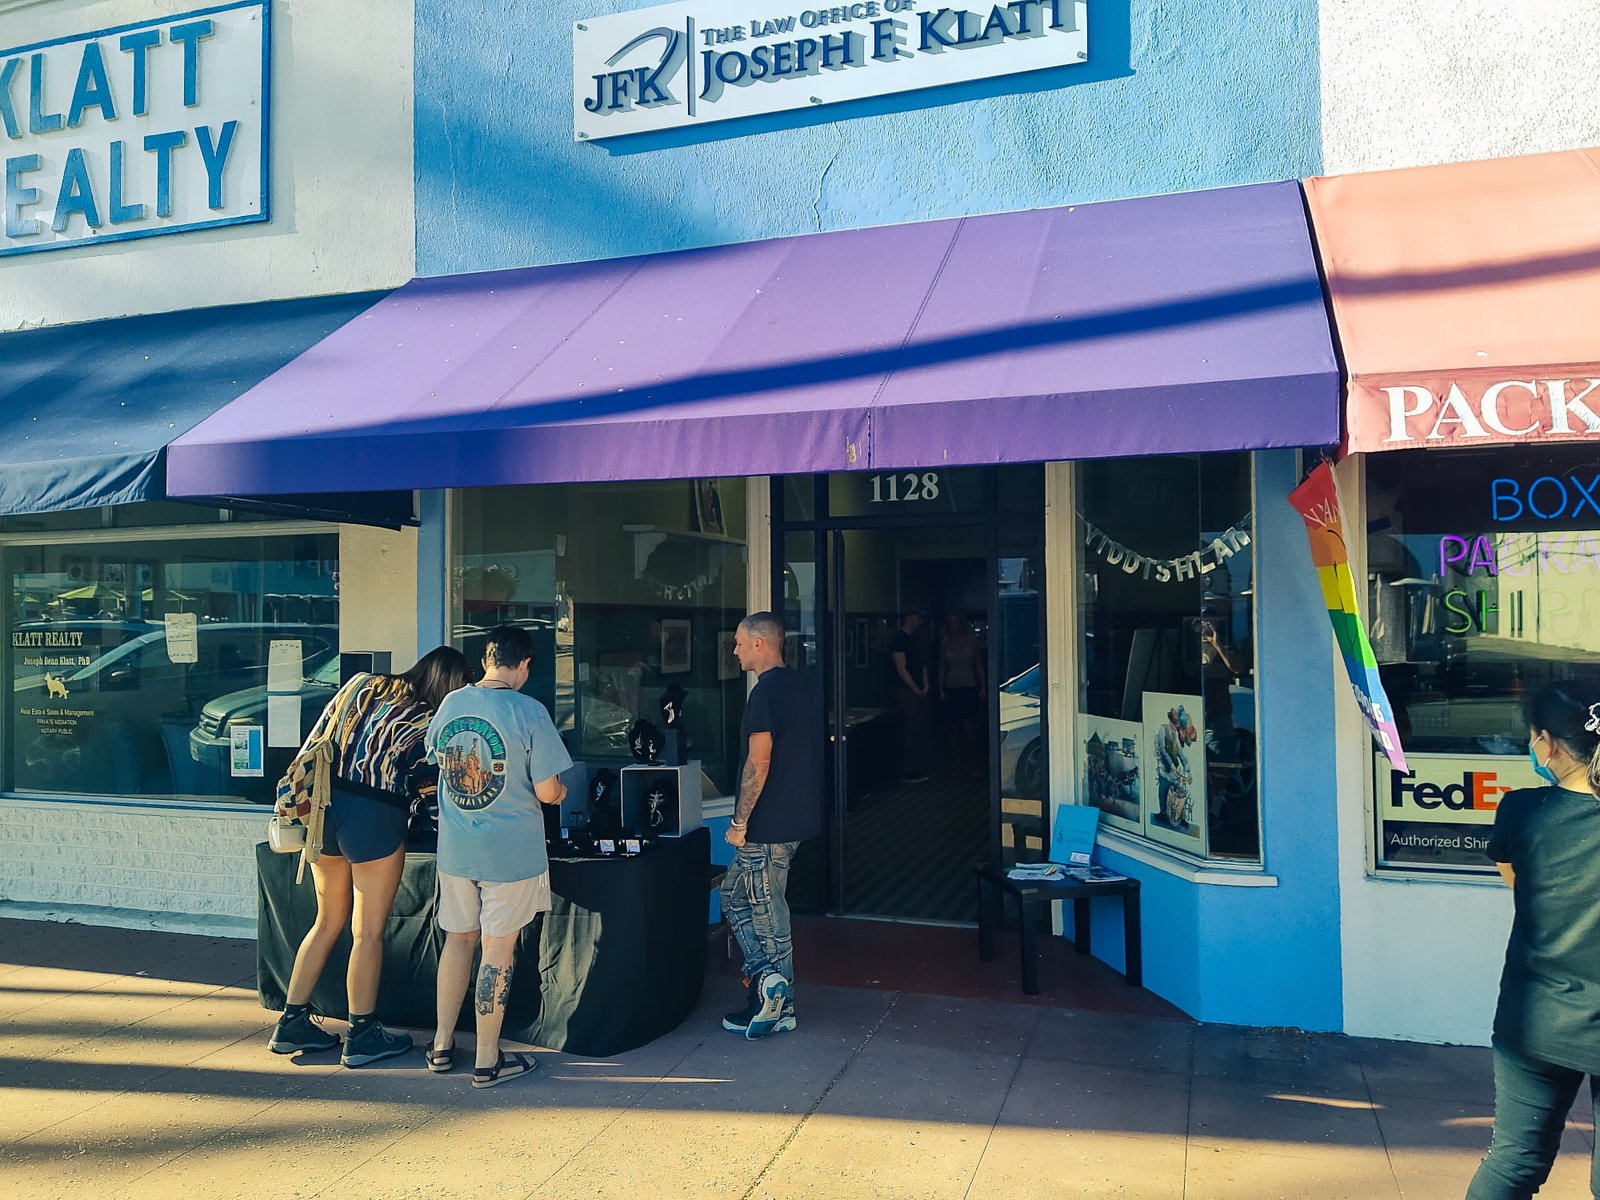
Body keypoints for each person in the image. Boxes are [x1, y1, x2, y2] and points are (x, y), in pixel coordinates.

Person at [268, 646, 471, 1067]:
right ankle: (361, 1034)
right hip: (375, 818)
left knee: (325, 921)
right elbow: (429, 789)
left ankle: (291, 1022)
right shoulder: (428, 721)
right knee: (368, 932)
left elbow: (316, 742)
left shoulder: (360, 685)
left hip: (324, 807)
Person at [1466, 682, 1600, 1199]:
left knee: (1515, 1161)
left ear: (1547, 744)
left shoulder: (1521, 811)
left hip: (1537, 1019)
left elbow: (1519, 885)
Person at [426, 625, 571, 1088]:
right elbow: (550, 792)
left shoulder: (452, 704)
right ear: (524, 664)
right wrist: (563, 789)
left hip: (456, 850)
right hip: (509, 855)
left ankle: (441, 1045)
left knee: (458, 940)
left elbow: (439, 761)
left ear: (486, 659)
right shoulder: (529, 711)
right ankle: (488, 1059)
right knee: (498, 950)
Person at [722, 611, 821, 1039]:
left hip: (768, 825)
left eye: (741, 643)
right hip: (797, 818)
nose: (736, 650)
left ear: (761, 643)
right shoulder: (802, 685)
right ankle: (767, 980)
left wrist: (739, 821)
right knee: (733, 897)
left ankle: (779, 1007)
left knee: (767, 915)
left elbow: (758, 762)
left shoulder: (764, 695)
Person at [938, 613, 987, 779]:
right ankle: (957, 765)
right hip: (952, 686)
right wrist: (940, 688)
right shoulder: (945, 643)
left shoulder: (971, 641)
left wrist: (983, 687)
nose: (953, 625)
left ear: (961, 623)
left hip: (969, 686)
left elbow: (978, 664)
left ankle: (975, 765)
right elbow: (942, 666)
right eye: (950, 622)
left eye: (955, 621)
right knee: (953, 728)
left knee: (969, 727)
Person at [890, 610, 931, 783]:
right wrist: (916, 689)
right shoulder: (898, 639)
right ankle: (907, 769)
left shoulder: (916, 639)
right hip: (906, 690)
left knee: (918, 728)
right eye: (918, 617)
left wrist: (926, 685)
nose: (920, 621)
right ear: (909, 617)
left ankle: (916, 765)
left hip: (919, 688)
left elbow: (922, 665)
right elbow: (901, 668)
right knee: (909, 728)